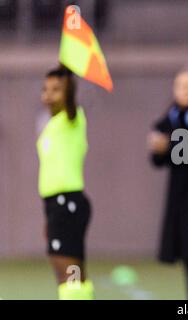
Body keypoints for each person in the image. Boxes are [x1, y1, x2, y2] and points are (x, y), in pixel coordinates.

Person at [147, 70, 188, 300]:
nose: (183, 91)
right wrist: (157, 147)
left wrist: (169, 145)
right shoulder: (170, 117)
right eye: (178, 86)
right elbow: (157, 159)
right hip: (179, 197)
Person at [37, 65, 94, 300]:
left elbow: (70, 103)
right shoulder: (53, 125)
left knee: (67, 274)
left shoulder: (73, 118)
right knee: (74, 275)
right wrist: (48, 215)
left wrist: (68, 73)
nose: (48, 95)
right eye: (45, 89)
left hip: (67, 203)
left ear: (68, 92)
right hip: (57, 206)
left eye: (56, 89)